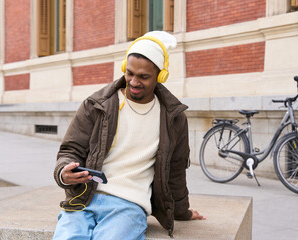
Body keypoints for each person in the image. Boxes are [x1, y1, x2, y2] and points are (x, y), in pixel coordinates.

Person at [53, 31, 205, 240]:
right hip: (83, 198)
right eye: (130, 73)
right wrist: (64, 173)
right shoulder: (96, 105)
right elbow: (71, 150)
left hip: (128, 204)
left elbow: (176, 172)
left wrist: (182, 212)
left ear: (161, 76)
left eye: (143, 76)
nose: (133, 82)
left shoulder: (173, 119)